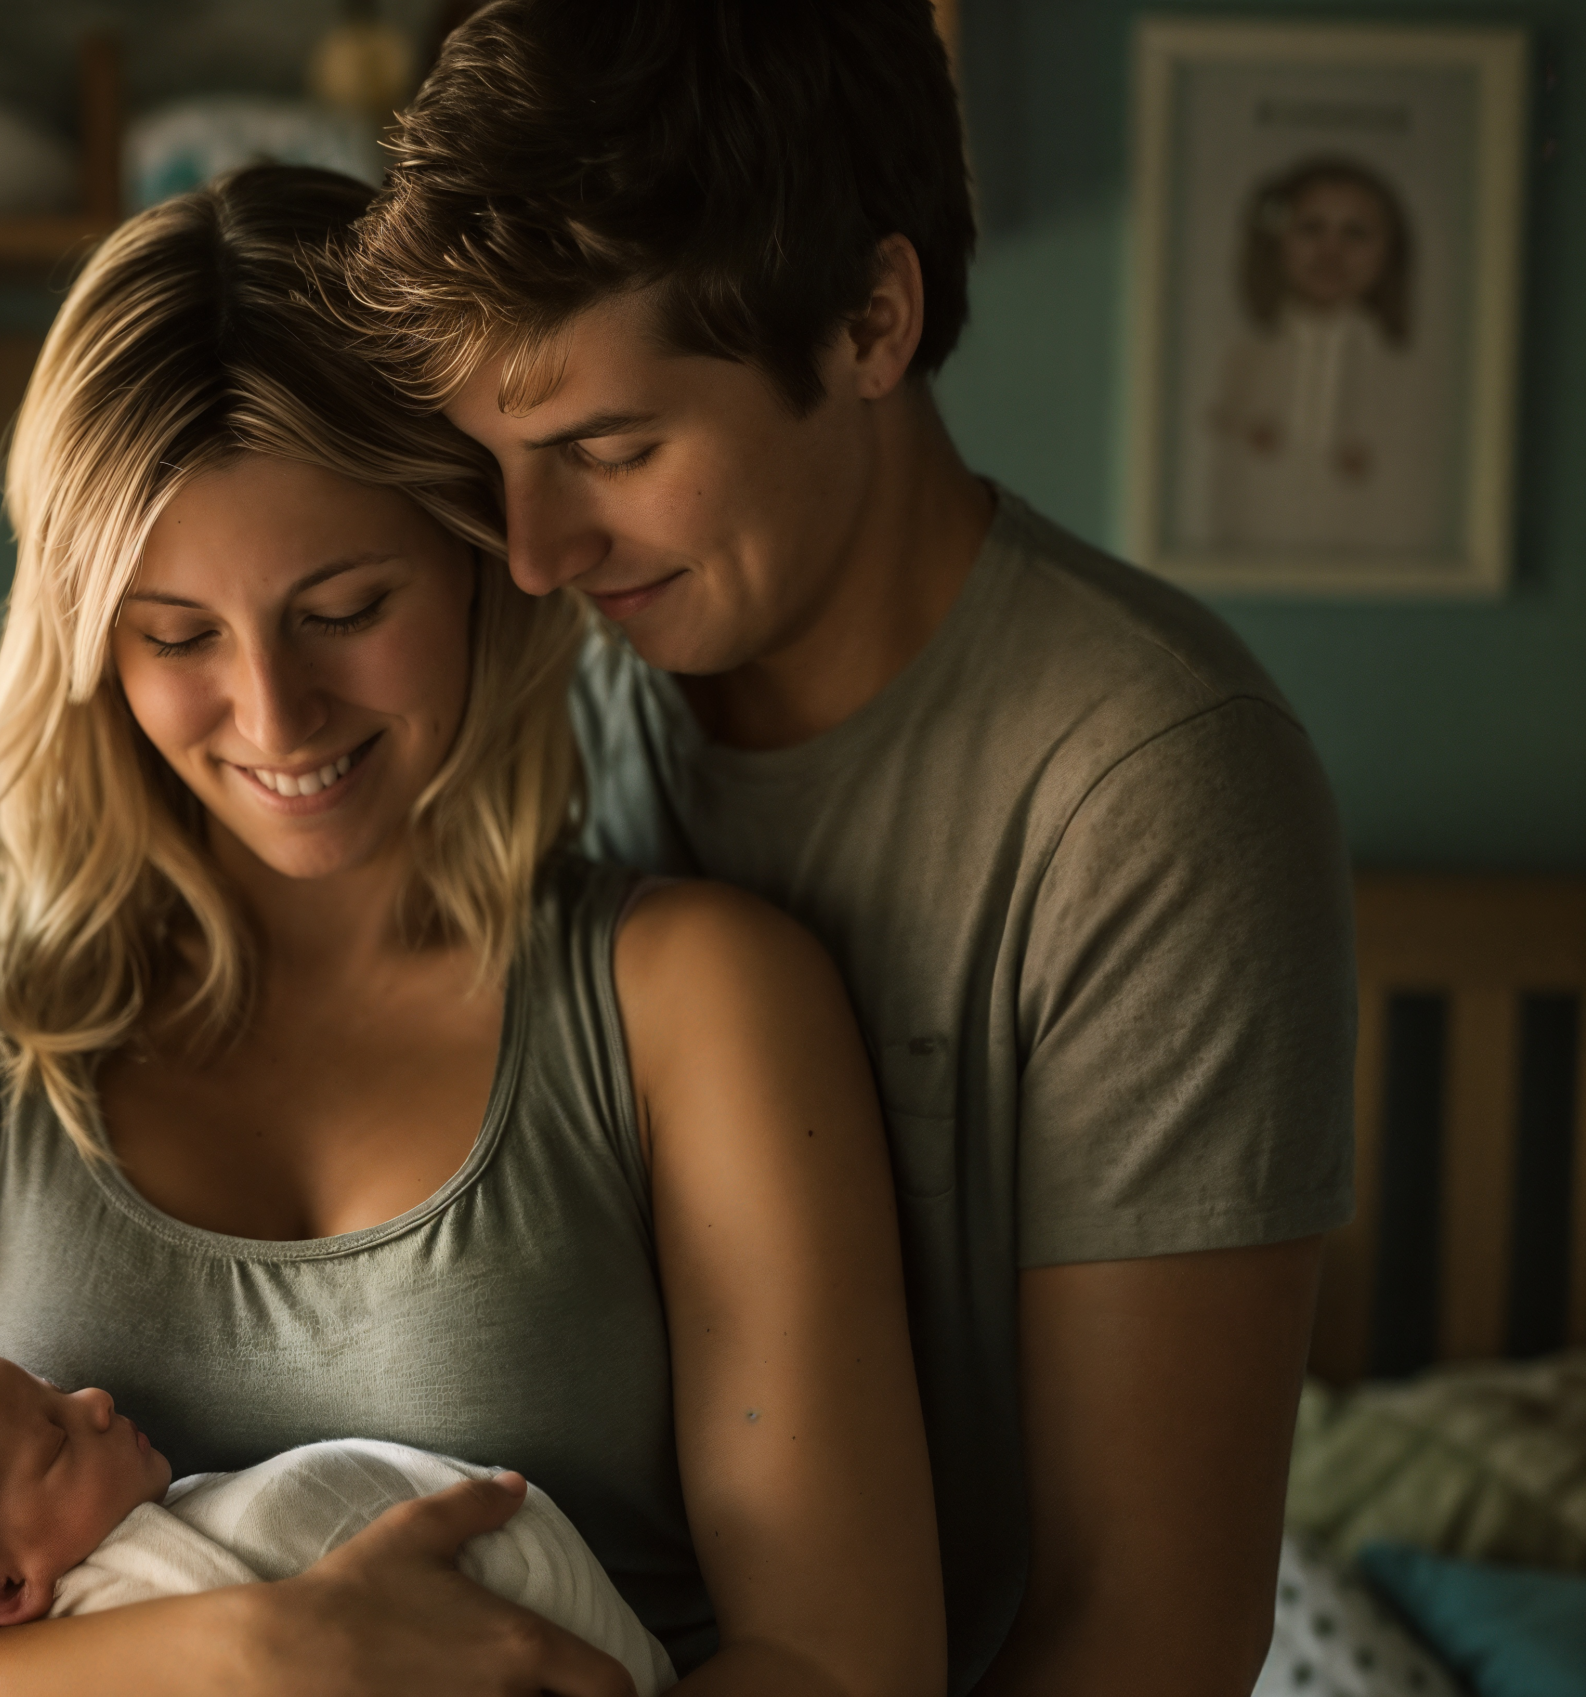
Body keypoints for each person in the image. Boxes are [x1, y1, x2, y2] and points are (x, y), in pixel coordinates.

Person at [0, 165, 946, 1697]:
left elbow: (851, 1662)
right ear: (87, 645)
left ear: (482, 563)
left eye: (347, 608)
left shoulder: (701, 1003)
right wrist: (265, 1652)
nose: (276, 716)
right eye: (177, 637)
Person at [347, 4, 1357, 1693]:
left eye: (609, 451)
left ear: (870, 321)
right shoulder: (552, 696)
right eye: (494, 467)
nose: (529, 556)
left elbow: (1148, 1621)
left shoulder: (1149, 792)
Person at [0, 1350, 676, 1695]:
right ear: (5, 1587)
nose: (93, 1398)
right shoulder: (129, 1594)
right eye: (54, 1436)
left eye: (52, 1385)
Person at [1198, 153, 1440, 554]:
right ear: (1277, 241)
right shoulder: (1242, 356)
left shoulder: (1403, 367)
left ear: (1390, 250)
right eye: (1311, 229)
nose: (1331, 252)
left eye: (1356, 233)